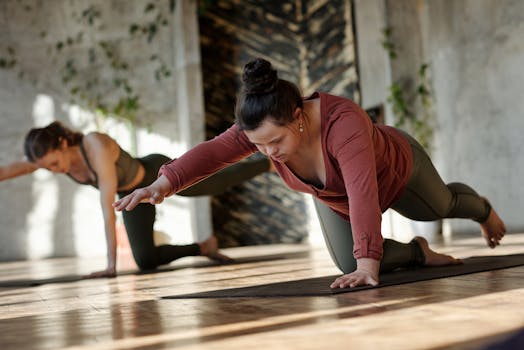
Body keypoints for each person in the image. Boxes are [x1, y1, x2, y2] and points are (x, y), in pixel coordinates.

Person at [113, 57, 507, 289]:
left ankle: (482, 209)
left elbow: (362, 191)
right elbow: (213, 152)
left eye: (275, 142)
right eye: (258, 144)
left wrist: (370, 262)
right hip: (335, 198)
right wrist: (163, 184)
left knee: (440, 206)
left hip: (396, 169)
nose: (267, 153)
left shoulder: (344, 124)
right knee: (350, 267)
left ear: (298, 117)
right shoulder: (262, 128)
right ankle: (419, 253)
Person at [1, 121, 271, 277]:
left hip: (153, 174)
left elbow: (107, 207)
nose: (53, 170)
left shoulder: (94, 145)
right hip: (132, 196)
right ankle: (204, 248)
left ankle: (270, 163)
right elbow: (13, 168)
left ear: (62, 144)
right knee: (145, 259)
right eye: (46, 167)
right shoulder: (50, 158)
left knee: (217, 182)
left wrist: (110, 266)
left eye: (53, 163)